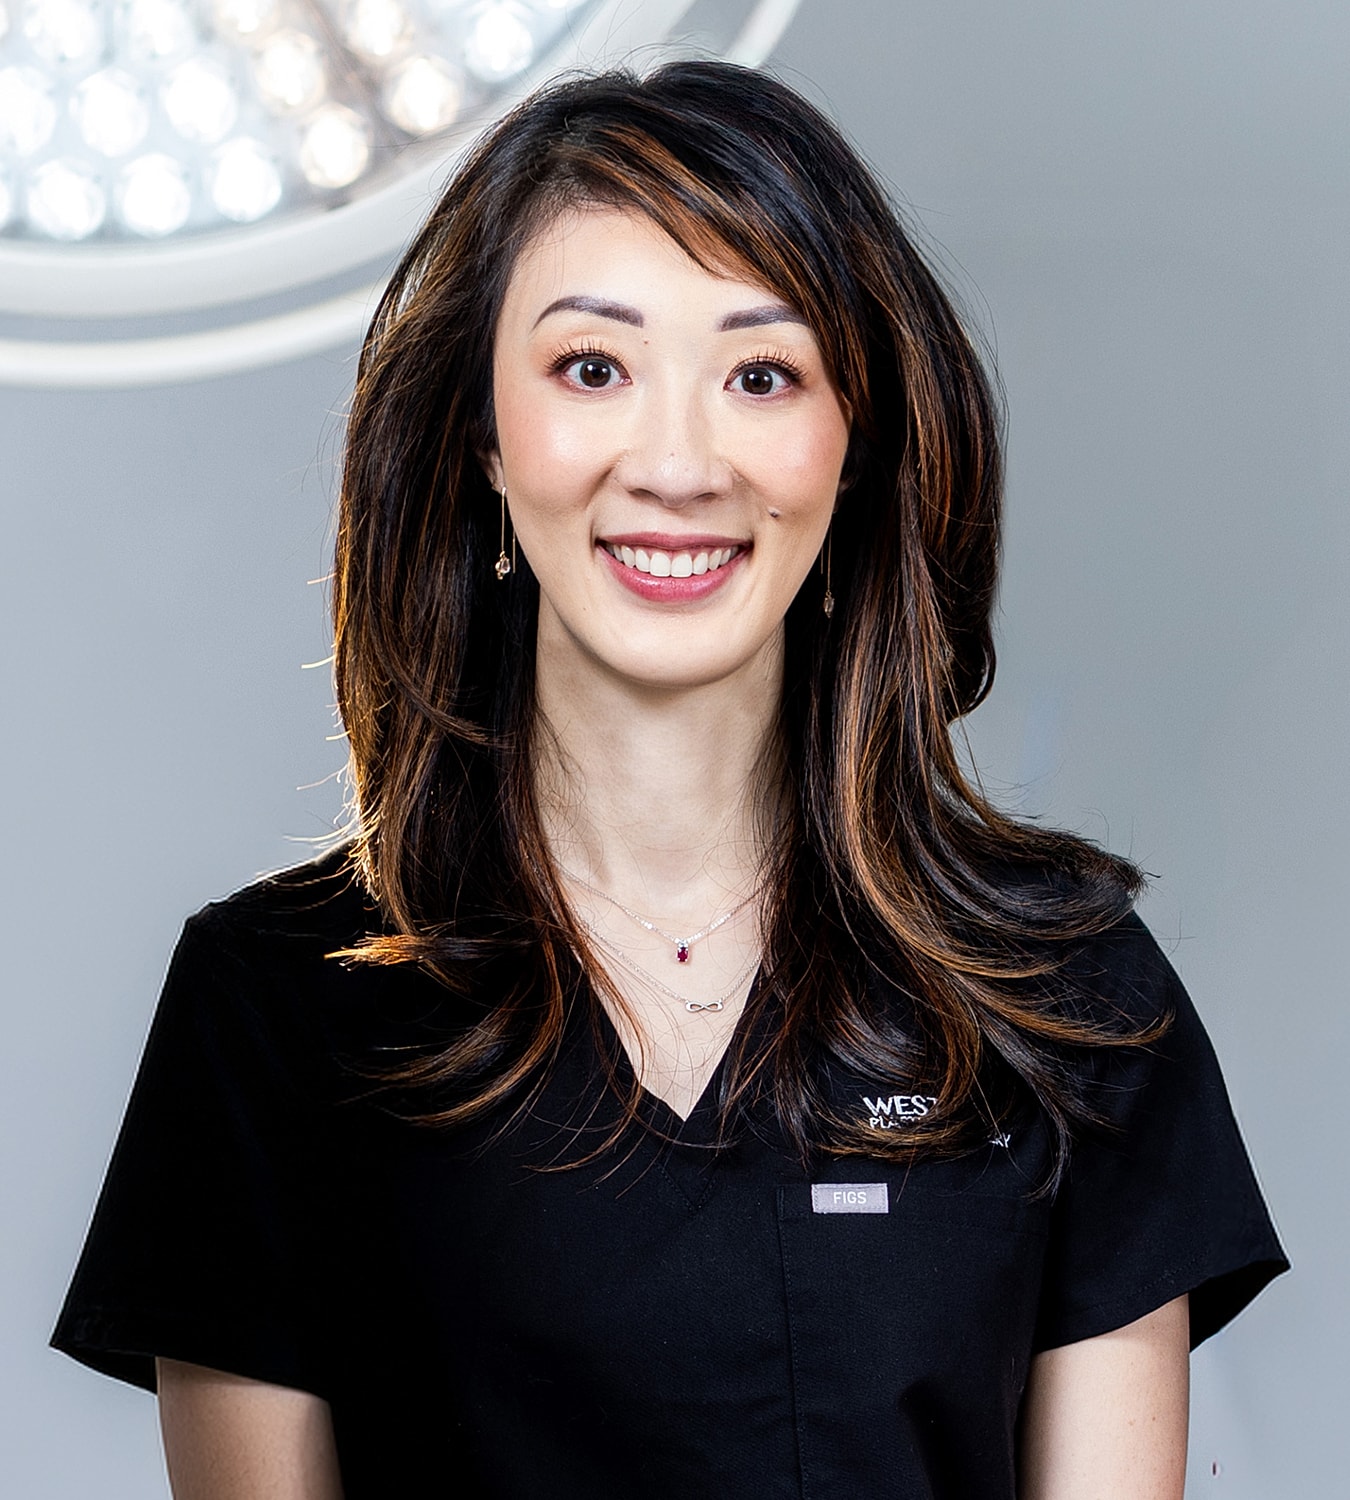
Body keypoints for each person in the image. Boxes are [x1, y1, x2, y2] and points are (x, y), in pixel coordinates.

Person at [53, 61, 1286, 1499]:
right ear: (482, 442)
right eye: (593, 368)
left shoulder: (1061, 994)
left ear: (853, 448)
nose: (679, 461)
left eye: (760, 375)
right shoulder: (273, 1009)